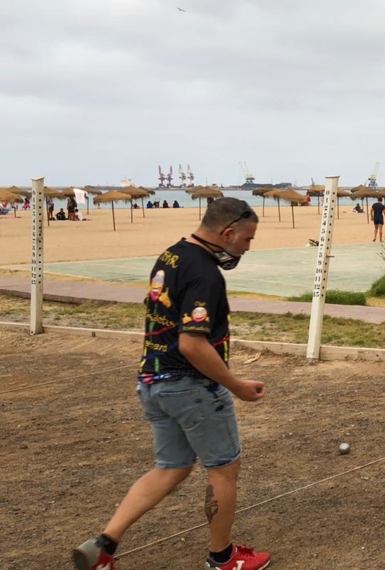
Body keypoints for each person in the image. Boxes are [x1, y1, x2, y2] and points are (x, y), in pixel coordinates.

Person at [71, 198, 271, 570]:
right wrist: (236, 385)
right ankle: (223, 557)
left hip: (153, 382)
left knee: (172, 467)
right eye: (246, 240)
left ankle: (104, 546)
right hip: (191, 388)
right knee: (224, 467)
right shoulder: (206, 274)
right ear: (227, 232)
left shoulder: (171, 257)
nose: (246, 247)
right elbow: (192, 343)